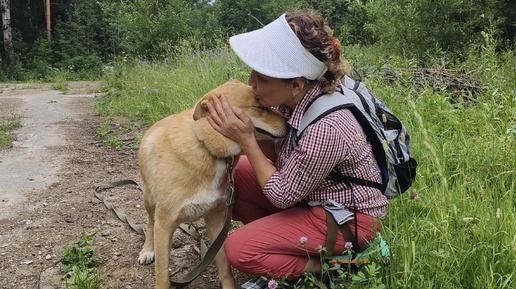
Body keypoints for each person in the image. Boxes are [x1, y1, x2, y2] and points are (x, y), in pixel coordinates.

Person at [205, 10, 388, 287]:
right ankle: (282, 241)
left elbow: (281, 194)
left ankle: (331, 264)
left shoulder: (327, 127)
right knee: (237, 174)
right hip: (313, 196)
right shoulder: (300, 97)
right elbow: (273, 152)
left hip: (348, 218)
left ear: (296, 84)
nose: (251, 83)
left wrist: (246, 140)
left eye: (263, 78)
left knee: (239, 251)